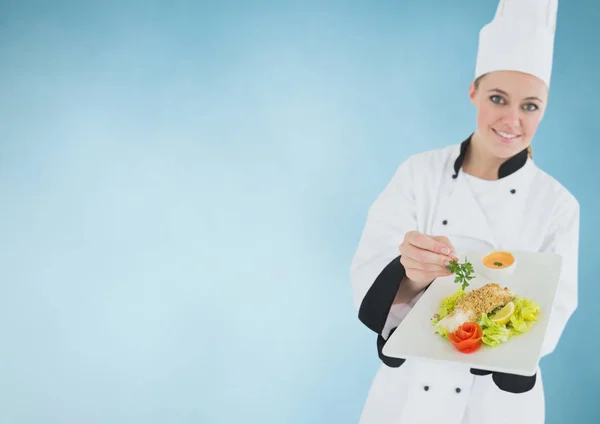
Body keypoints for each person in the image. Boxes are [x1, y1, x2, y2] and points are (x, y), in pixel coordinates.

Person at [350, 1, 579, 423]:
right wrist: (412, 272)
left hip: (497, 401)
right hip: (409, 397)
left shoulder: (557, 204)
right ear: (473, 91)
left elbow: (555, 307)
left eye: (530, 105)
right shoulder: (419, 173)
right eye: (497, 98)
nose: (512, 120)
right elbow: (370, 265)